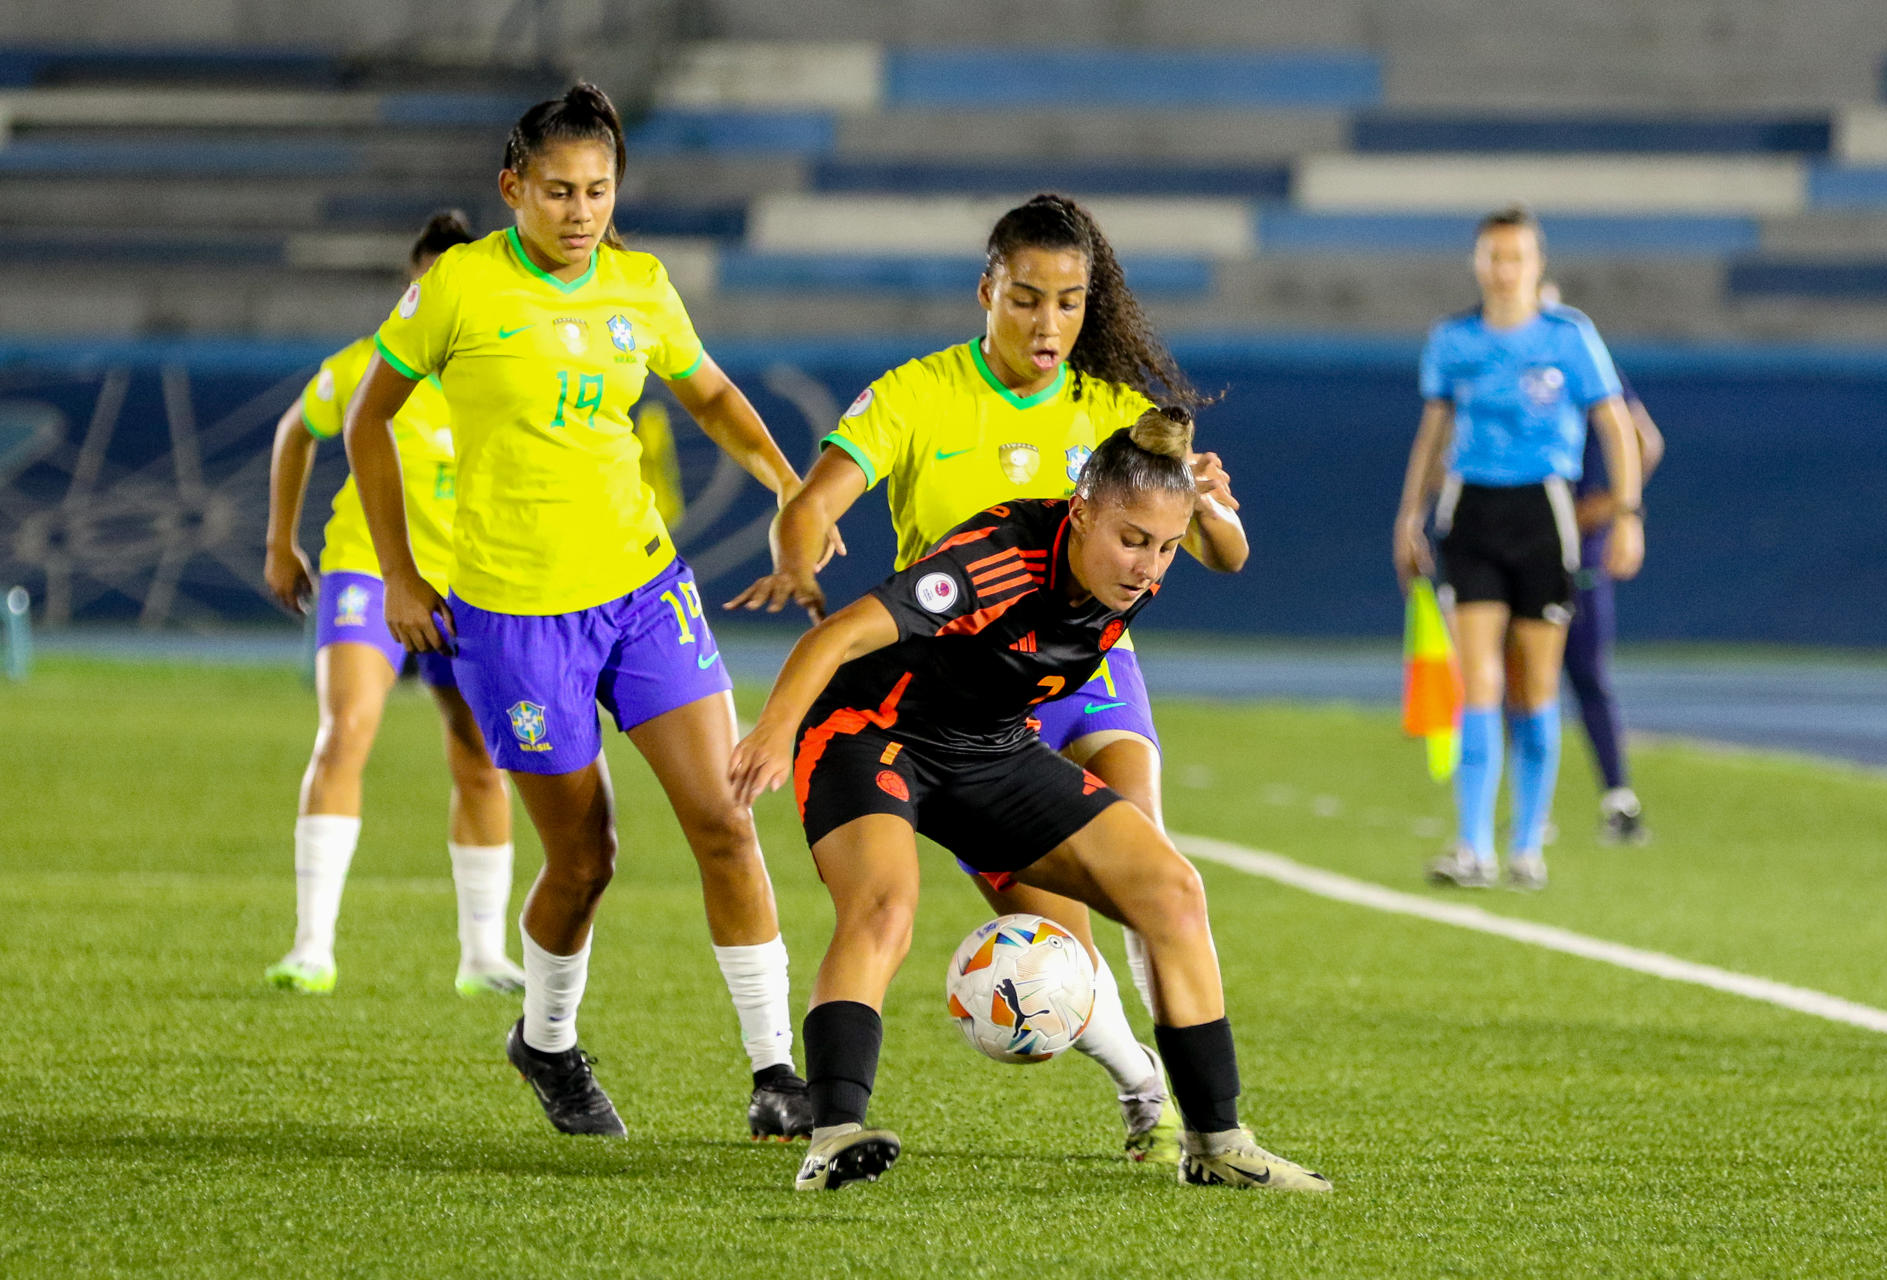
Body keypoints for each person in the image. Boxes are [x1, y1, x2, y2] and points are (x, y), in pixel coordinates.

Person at [344, 84, 835, 1140]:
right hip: (514, 625)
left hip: (643, 593)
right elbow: (365, 420)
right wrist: (398, 571)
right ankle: (548, 1041)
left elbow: (707, 394)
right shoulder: (463, 288)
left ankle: (774, 1068)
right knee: (586, 857)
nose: (580, 211)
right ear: (512, 187)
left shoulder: (641, 287)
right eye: (558, 190)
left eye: (599, 191)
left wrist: (789, 485)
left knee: (724, 816)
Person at [727, 193, 1248, 1164]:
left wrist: (1205, 509)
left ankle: (1197, 1115)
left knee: (1150, 869)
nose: (1048, 324)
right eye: (1027, 299)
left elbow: (1217, 543)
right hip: (924, 679)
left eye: (1069, 302)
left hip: (1064, 681)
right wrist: (799, 556)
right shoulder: (921, 397)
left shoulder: (1115, 416)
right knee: (990, 925)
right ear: (988, 293)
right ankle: (1119, 1077)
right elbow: (814, 508)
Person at [731, 409, 1328, 1194]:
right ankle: (835, 1133)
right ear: (1080, 511)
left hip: (992, 749)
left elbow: (1232, 555)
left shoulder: (1144, 549)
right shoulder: (995, 560)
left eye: (1166, 547)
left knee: (1174, 892)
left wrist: (1203, 504)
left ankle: (1216, 1143)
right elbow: (836, 636)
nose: (1148, 567)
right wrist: (774, 731)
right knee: (883, 906)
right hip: (870, 735)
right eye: (1132, 539)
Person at [261, 210, 522, 999]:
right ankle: (312, 946)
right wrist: (281, 542)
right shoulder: (367, 367)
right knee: (347, 730)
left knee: (481, 758)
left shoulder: (506, 372)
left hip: (468, 582)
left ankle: (482, 954)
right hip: (367, 571)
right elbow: (296, 429)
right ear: (415, 287)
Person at [1394, 207, 1644, 891]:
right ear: (1478, 264)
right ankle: (1473, 845)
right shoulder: (1454, 341)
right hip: (1472, 511)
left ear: (1537, 266)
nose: (1504, 270)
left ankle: (1526, 845)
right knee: (1479, 682)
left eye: (1516, 258)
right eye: (1493, 257)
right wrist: (1409, 515)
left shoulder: (1571, 338)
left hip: (1543, 513)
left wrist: (1626, 514)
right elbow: (1433, 434)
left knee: (1535, 687)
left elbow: (1618, 428)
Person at [1545, 281, 1665, 844]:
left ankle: (1619, 797)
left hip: (1575, 541)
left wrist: (1613, 506)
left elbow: (1643, 439)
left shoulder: (1577, 350)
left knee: (1584, 671)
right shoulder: (1494, 355)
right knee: (1519, 678)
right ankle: (1530, 814)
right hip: (1520, 530)